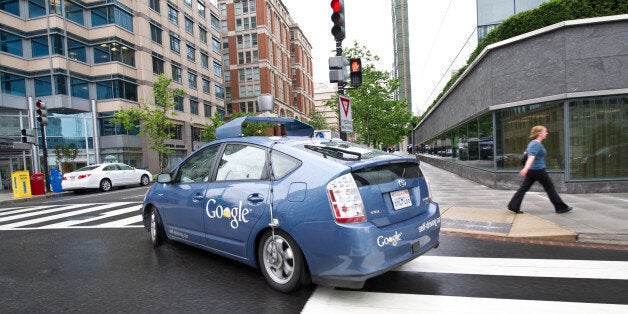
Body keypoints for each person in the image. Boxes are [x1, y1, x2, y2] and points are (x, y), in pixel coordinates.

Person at [507, 125, 573, 214]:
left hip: (532, 170)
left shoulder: (532, 143)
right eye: (545, 131)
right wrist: (525, 168)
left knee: (523, 188)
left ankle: (513, 206)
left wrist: (527, 168)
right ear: (539, 133)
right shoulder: (536, 144)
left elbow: (525, 153)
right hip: (538, 170)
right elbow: (531, 157)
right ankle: (560, 207)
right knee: (550, 188)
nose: (546, 133)